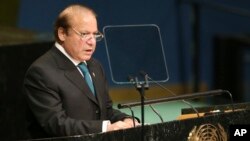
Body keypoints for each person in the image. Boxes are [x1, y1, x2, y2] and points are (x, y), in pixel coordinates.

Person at [23, 4, 139, 139]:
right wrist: (105, 127)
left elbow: (105, 111)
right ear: (62, 34)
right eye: (84, 34)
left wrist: (126, 119)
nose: (92, 42)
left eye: (95, 34)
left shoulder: (95, 66)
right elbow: (57, 124)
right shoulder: (41, 72)